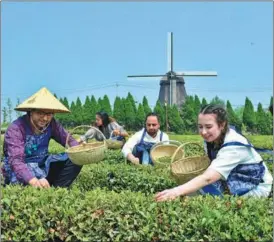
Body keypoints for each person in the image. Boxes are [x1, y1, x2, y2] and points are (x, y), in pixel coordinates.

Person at [155, 104, 273, 201]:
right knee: (191, 194)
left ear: (222, 125)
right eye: (200, 127)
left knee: (202, 200)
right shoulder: (210, 140)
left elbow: (208, 178)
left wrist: (176, 191)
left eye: (208, 126)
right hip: (231, 180)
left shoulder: (234, 145)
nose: (204, 132)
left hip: (255, 187)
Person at [1, 87, 82, 188]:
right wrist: (33, 181)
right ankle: (38, 186)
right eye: (40, 113)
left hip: (42, 164)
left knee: (76, 158)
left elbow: (68, 139)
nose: (45, 118)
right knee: (21, 177)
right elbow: (16, 161)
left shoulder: (52, 124)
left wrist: (79, 149)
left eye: (49, 114)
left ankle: (58, 190)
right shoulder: (16, 128)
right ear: (31, 112)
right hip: (21, 167)